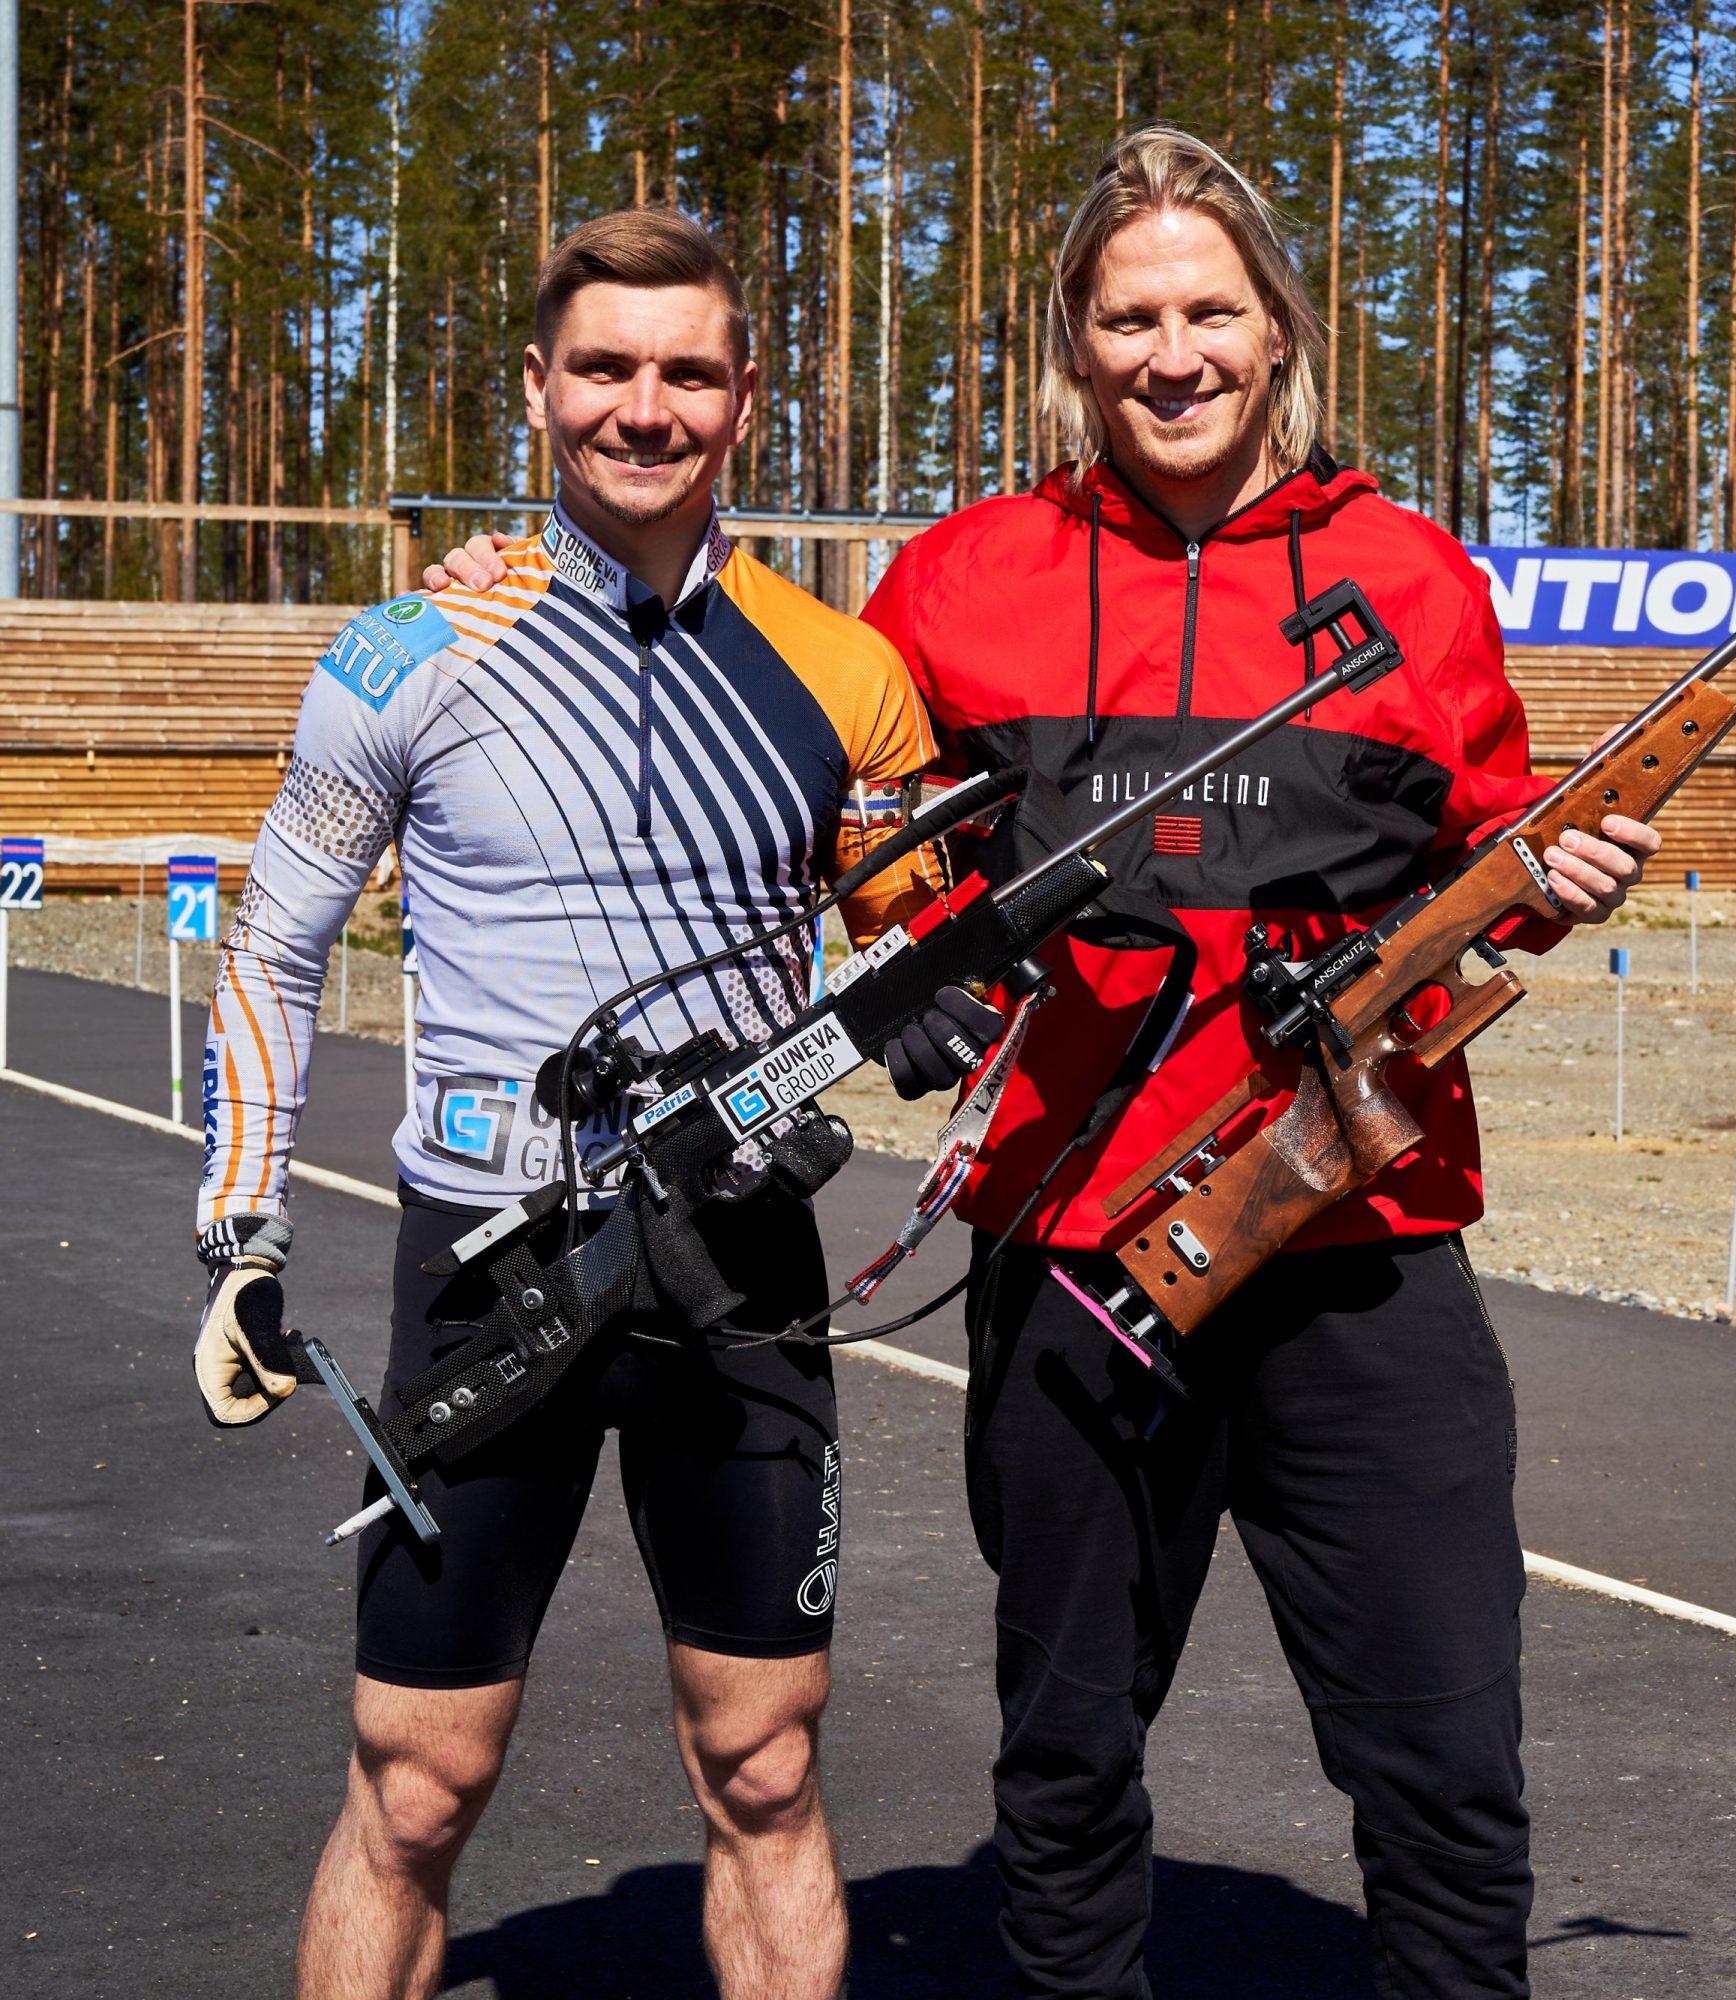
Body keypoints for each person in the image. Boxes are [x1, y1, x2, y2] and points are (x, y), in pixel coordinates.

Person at [864, 128, 1655, 1998]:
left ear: (1279, 327)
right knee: (1065, 1764)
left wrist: (1561, 877)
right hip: (1073, 1262)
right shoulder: (960, 584)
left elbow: (1495, 868)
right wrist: (907, 964)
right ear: (1075, 341)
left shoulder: (1413, 580)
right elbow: (868, 840)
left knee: (1448, 1773)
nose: (1174, 352)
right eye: (1130, 315)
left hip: (1360, 1258)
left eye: (1211, 309)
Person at [192, 207, 940, 2000]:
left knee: (764, 1761)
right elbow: (270, 938)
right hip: (486, 1251)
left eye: (688, 370)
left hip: (738, 1256)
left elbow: (926, 945)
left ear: (744, 398)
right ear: (538, 388)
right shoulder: (408, 649)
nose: (644, 407)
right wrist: (242, 1226)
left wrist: (945, 1007)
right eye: (604, 367)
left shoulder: (844, 673)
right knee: (418, 1777)